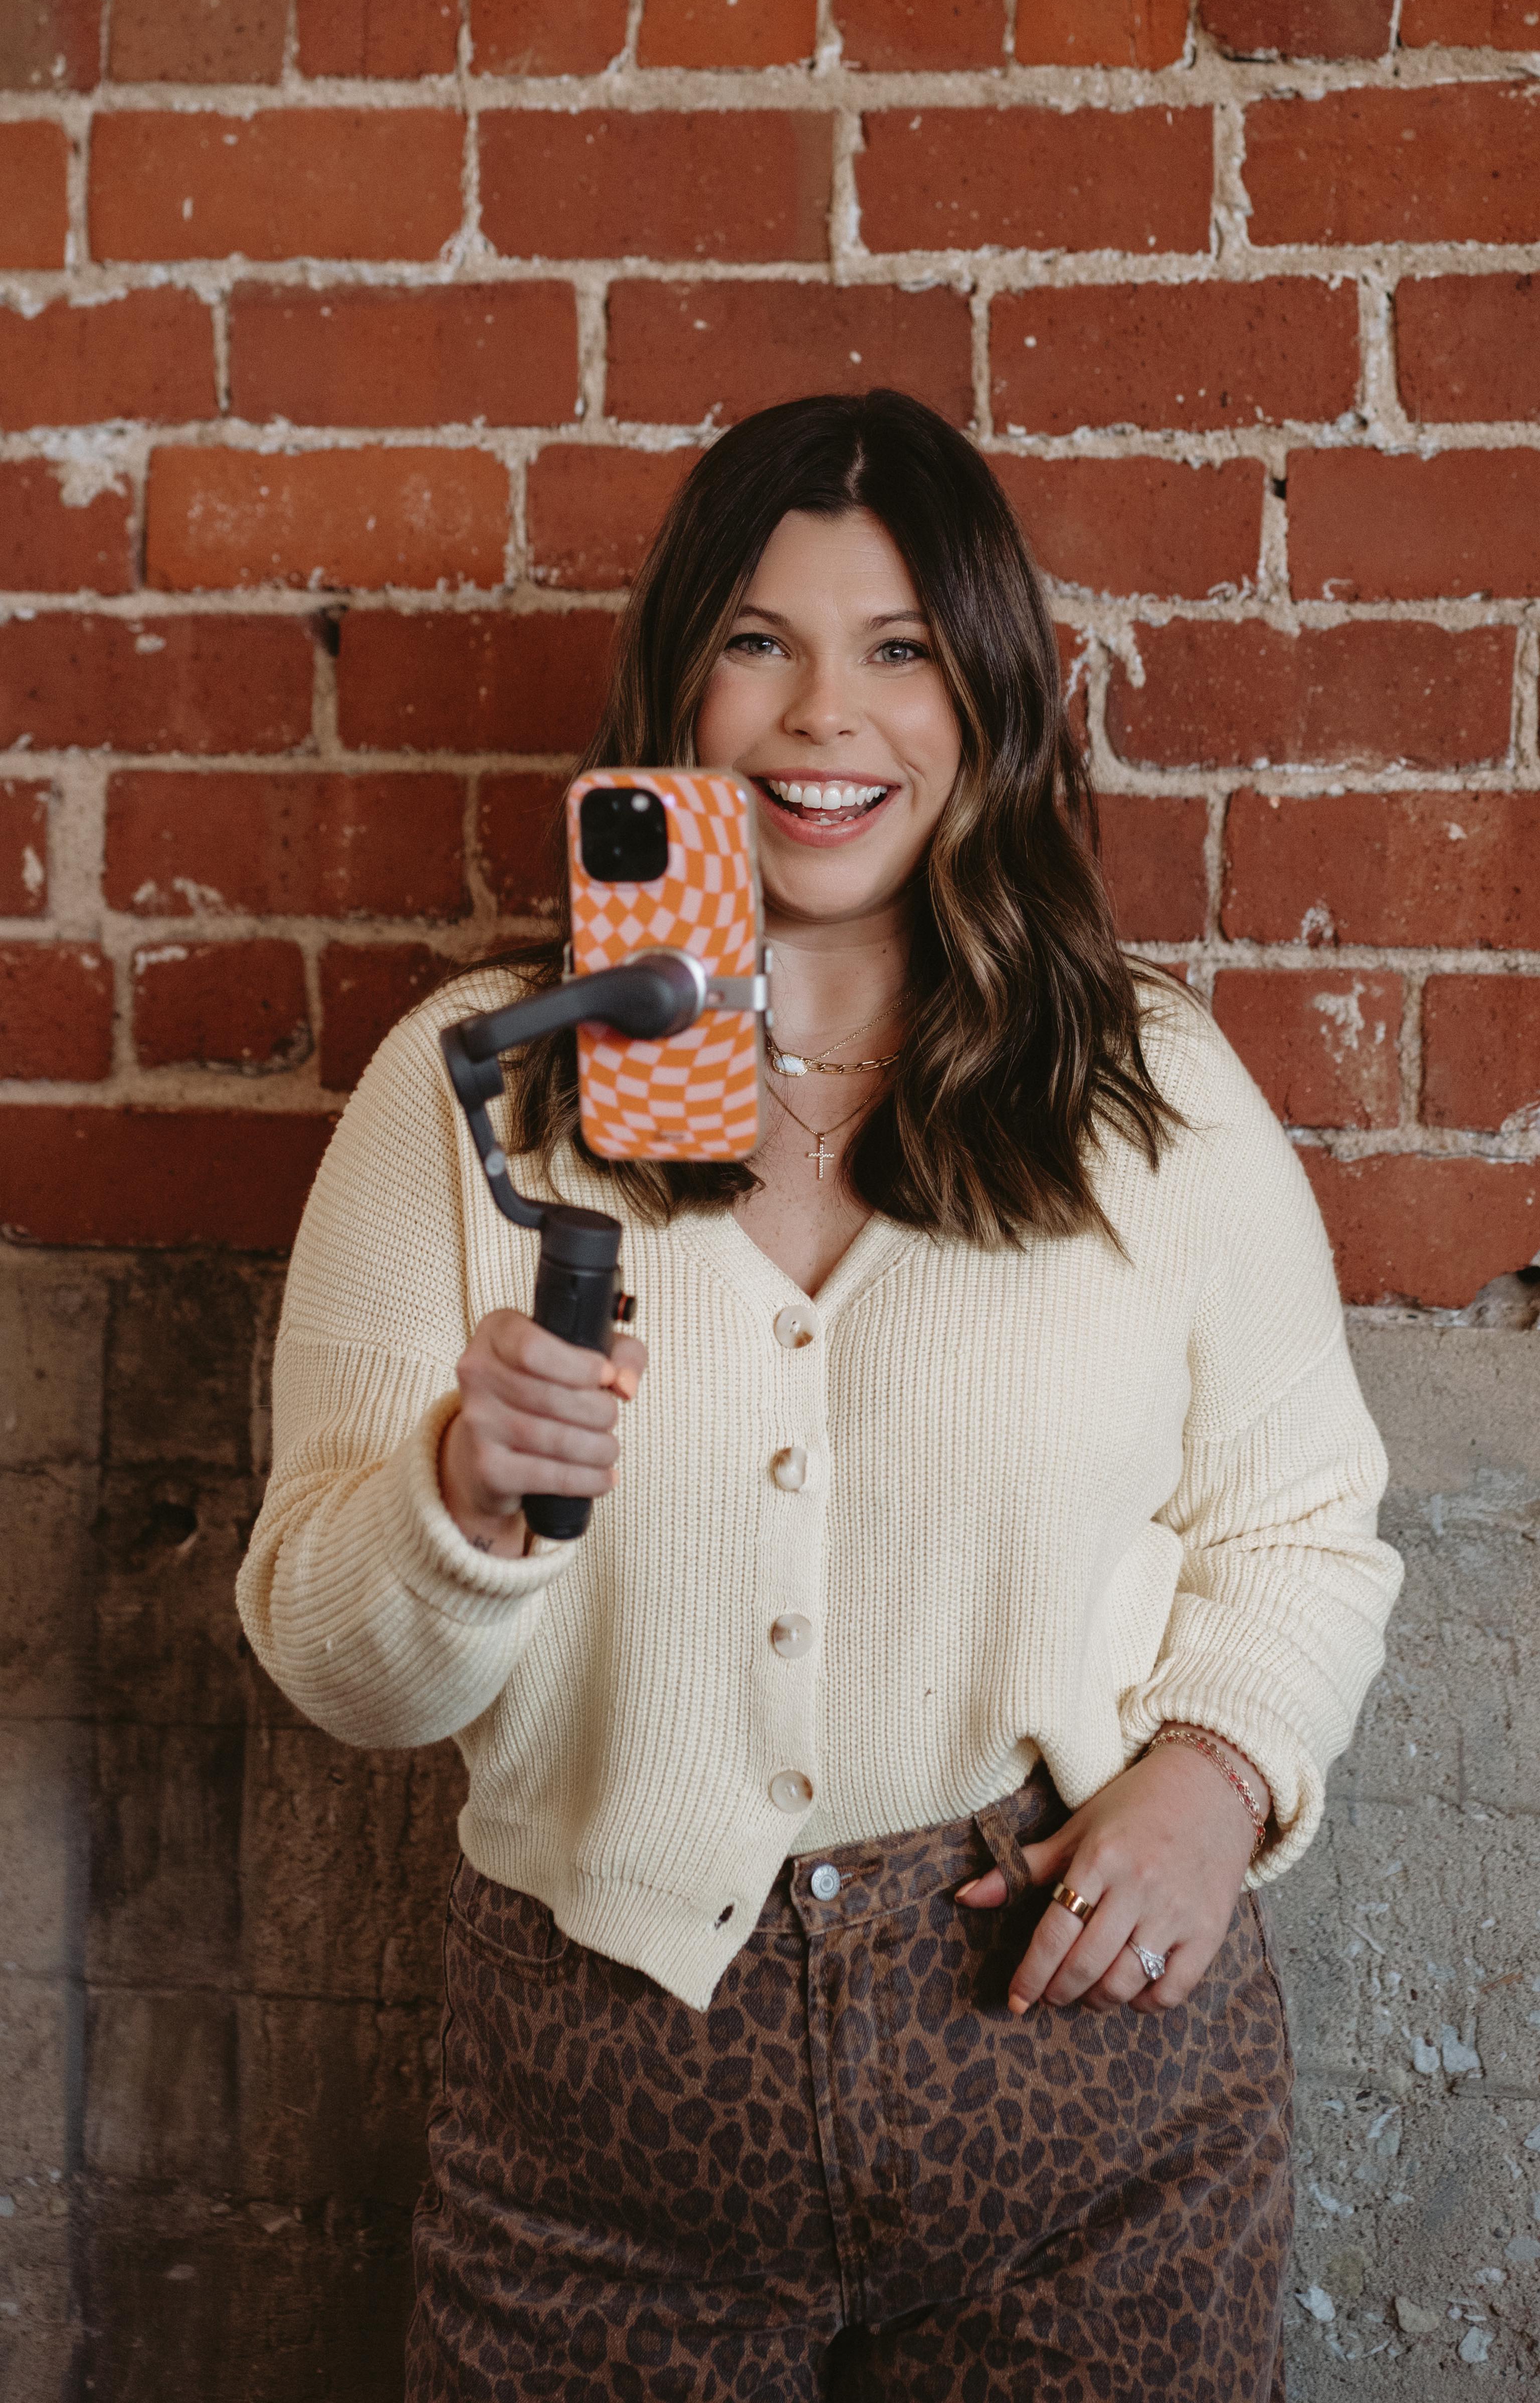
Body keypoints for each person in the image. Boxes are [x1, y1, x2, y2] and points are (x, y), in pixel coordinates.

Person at [237, 391, 1402, 2403]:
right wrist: (460, 1503)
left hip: (1083, 2110)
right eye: (759, 643)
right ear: (679, 686)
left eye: (899, 652)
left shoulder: (1153, 1091)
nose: (821, 718)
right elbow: (334, 1662)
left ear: (989, 703)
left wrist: (1218, 1779)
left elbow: (1302, 1519)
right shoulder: (483, 1087)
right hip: (600, 2120)